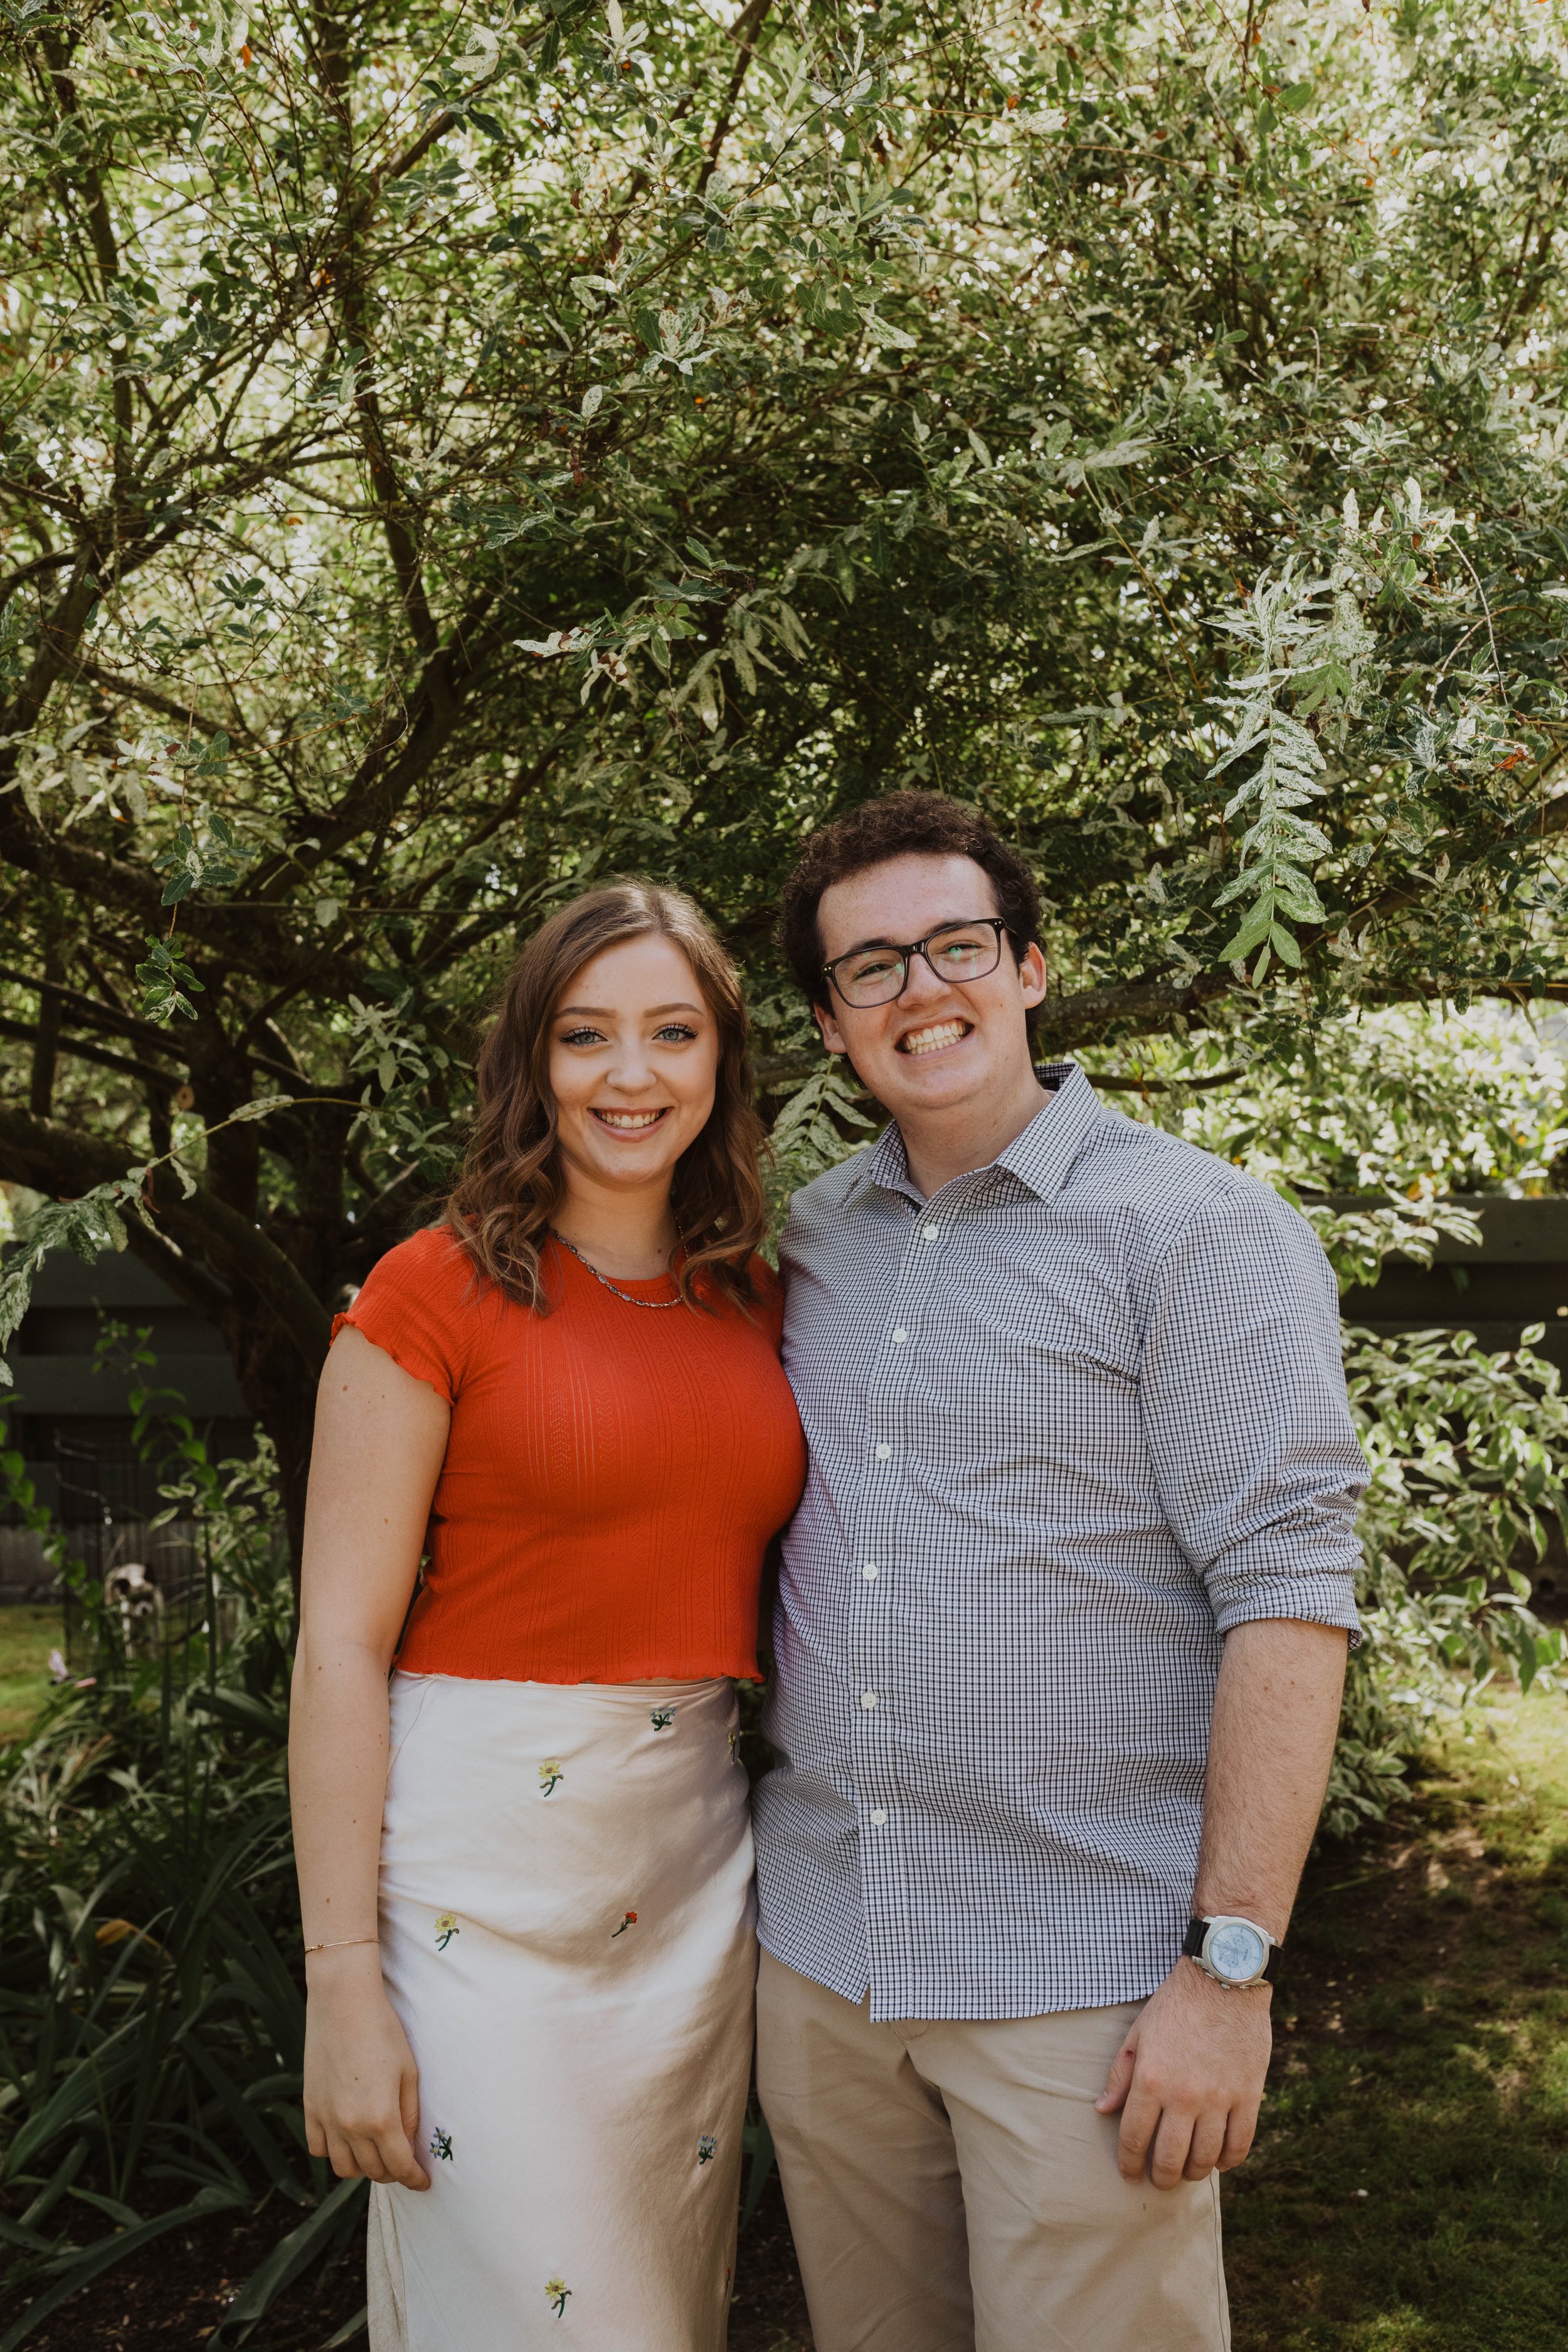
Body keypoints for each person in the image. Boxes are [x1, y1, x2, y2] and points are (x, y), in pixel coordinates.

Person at [753, 791, 1367, 2352]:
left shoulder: (1196, 1233)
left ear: (1027, 967)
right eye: (871, 968)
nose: (920, 991)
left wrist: (1227, 1975)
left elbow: (1289, 1597)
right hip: (826, 1954)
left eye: (954, 945)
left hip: (1081, 1984)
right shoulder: (807, 1242)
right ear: (829, 1025)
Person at [289, 882, 807, 2352]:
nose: (629, 1076)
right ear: (532, 1060)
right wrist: (339, 1988)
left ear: (720, 1060)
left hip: (694, 1882)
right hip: (476, 1904)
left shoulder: (755, 1294)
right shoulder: (428, 1293)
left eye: (670, 1033)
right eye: (586, 1037)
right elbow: (337, 1653)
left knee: (652, 2309)